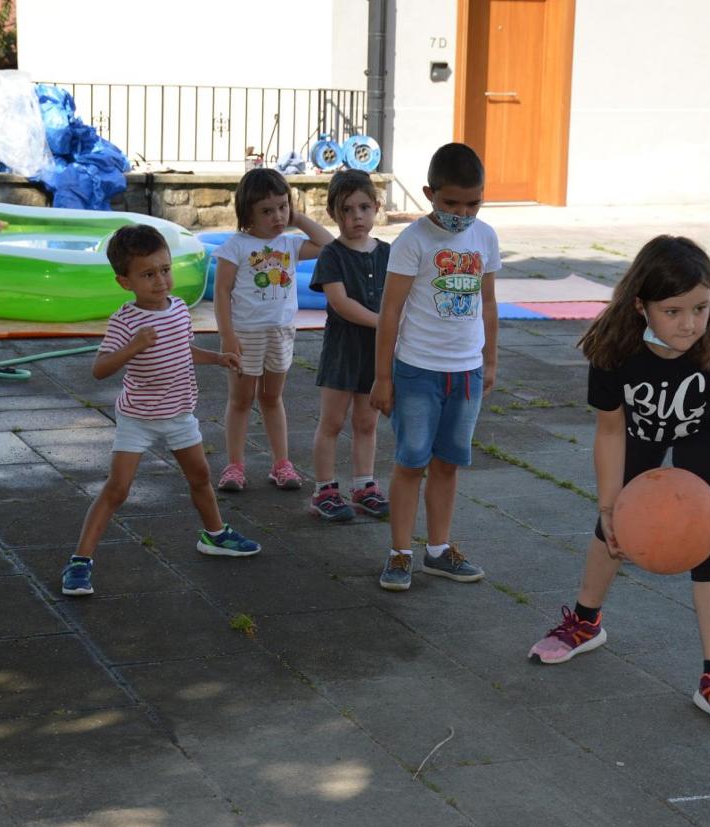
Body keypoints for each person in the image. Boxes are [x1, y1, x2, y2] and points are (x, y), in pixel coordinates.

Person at [526, 235, 710, 733]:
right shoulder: (615, 345)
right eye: (673, 311)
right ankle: (586, 622)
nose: (690, 324)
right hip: (637, 432)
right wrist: (609, 505)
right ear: (641, 305)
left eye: (700, 307)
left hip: (705, 431)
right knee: (614, 523)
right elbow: (610, 431)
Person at [61, 224, 261, 597]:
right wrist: (133, 347)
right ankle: (80, 560)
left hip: (179, 414)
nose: (161, 281)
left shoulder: (179, 309)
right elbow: (100, 369)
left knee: (200, 476)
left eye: (165, 270)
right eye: (148, 274)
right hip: (137, 419)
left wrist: (218, 358)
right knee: (117, 489)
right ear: (125, 282)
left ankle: (215, 534)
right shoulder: (126, 320)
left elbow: (183, 350)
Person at [370, 142, 500, 591]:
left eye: (473, 203)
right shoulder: (414, 241)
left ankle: (439, 550)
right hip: (418, 371)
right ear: (429, 194)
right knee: (411, 463)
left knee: (448, 464)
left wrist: (490, 359)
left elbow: (488, 302)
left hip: (466, 374)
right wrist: (382, 378)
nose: (462, 213)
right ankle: (400, 552)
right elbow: (390, 311)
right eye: (452, 203)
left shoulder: (485, 237)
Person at [213, 168, 334, 492]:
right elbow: (222, 292)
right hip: (246, 335)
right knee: (241, 400)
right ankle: (234, 466)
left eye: (283, 207)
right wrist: (227, 335)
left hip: (280, 334)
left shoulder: (290, 243)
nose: (277, 216)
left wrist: (298, 218)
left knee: (271, 397)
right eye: (267, 211)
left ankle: (281, 463)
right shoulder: (235, 247)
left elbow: (329, 245)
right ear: (247, 213)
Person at [307, 170, 391, 522]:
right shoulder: (332, 254)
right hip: (343, 350)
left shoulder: (389, 253)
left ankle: (364, 486)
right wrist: (384, 323)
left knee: (367, 422)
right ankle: (324, 490)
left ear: (376, 207)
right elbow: (340, 303)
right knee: (332, 421)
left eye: (364, 207)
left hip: (376, 352)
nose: (357, 216)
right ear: (333, 214)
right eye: (347, 209)